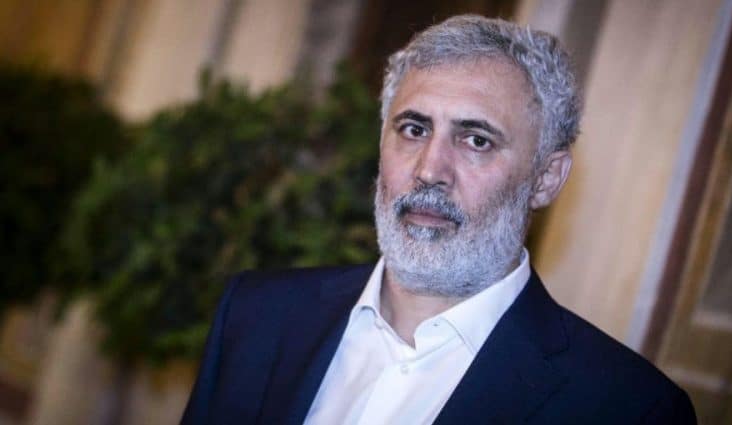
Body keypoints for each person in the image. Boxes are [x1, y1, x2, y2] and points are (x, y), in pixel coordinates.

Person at [181, 15, 696, 425]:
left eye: (476, 140)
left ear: (546, 178)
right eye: (413, 129)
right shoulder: (255, 316)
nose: (430, 170)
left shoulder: (626, 407)